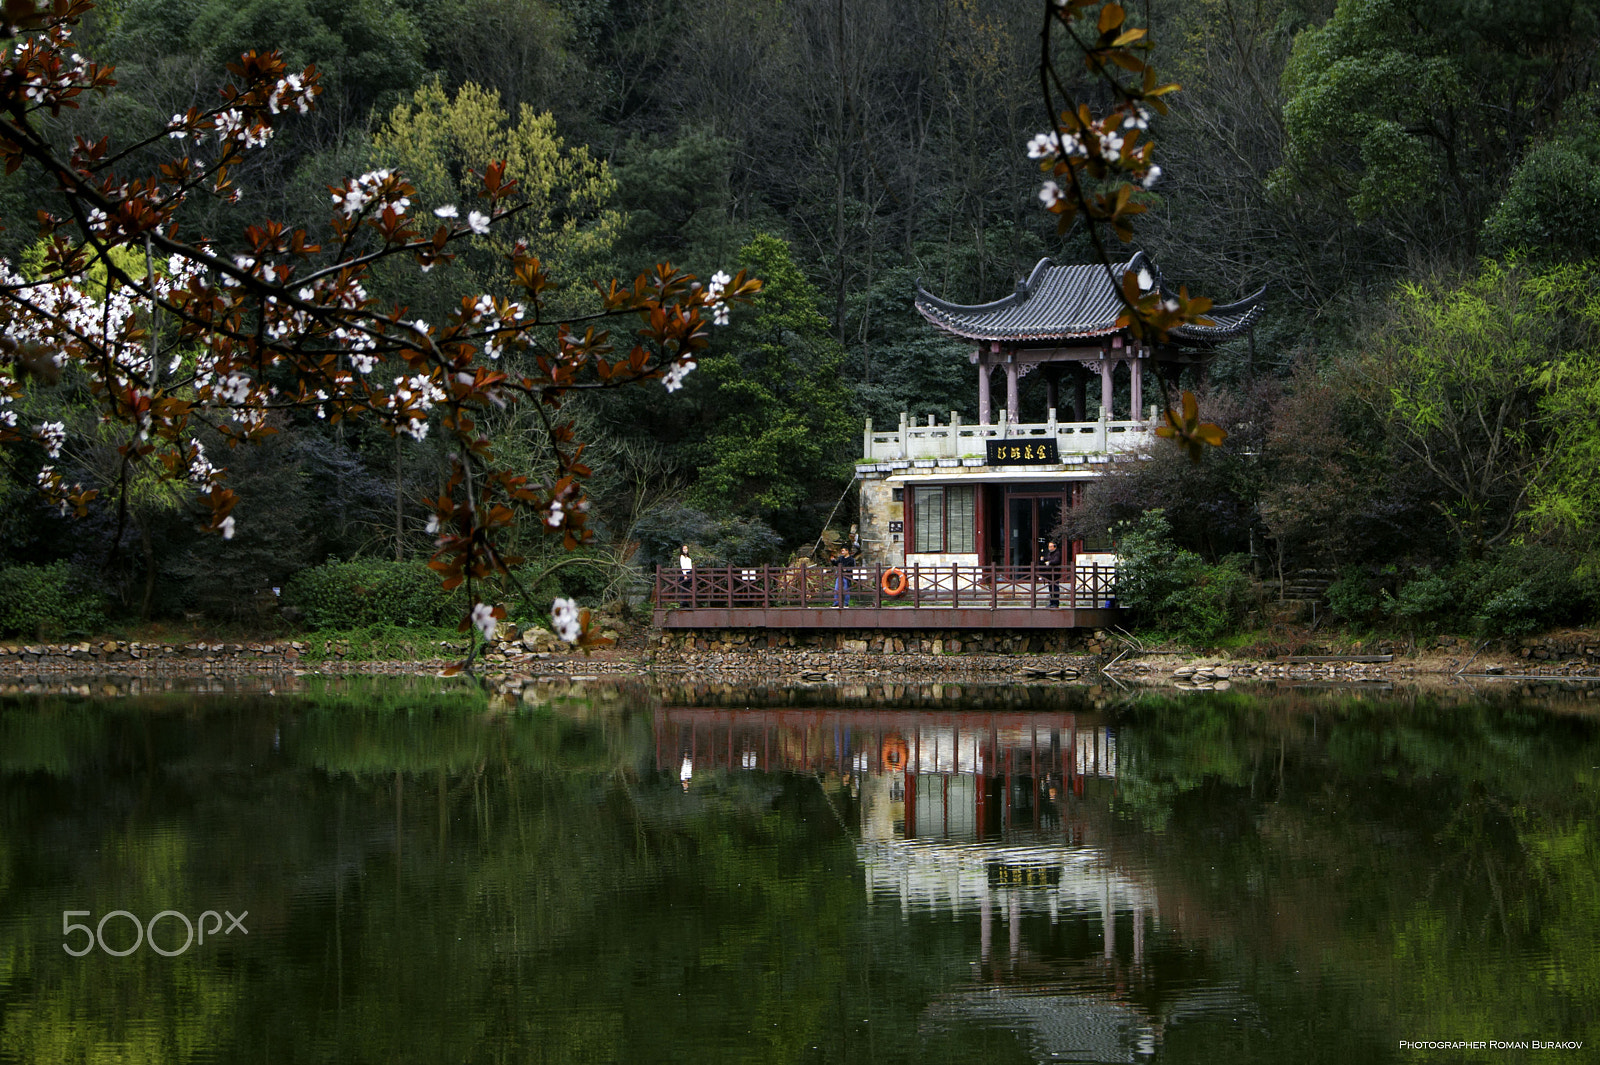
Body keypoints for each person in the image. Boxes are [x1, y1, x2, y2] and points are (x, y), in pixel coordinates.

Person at [1042, 538, 1063, 607]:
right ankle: (1051, 602)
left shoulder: (1057, 553)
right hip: (1050, 574)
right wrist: (1044, 559)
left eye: (1051, 546)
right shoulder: (1050, 553)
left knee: (1055, 588)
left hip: (1055, 574)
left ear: (1054, 547)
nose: (1049, 548)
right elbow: (1048, 558)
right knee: (1051, 588)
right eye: (1049, 546)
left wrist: (1050, 562)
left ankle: (1055, 603)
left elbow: (1056, 561)